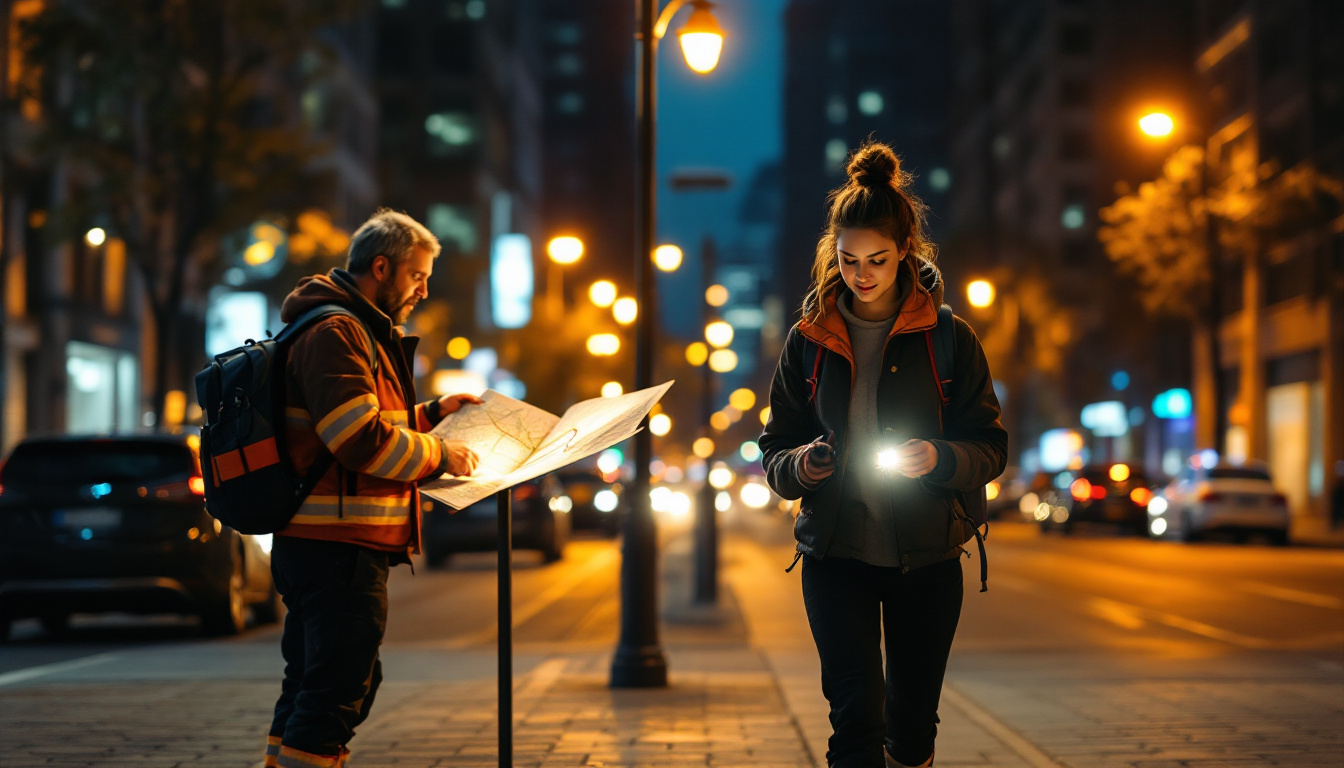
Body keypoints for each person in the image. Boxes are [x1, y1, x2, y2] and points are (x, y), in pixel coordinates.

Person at [759, 143, 1007, 768]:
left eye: (877, 259)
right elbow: (775, 448)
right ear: (832, 254)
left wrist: (939, 458)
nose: (861, 274)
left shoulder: (950, 338)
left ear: (905, 253)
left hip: (926, 558)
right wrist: (803, 464)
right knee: (855, 723)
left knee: (913, 729)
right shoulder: (808, 338)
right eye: (847, 260)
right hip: (834, 556)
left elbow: (991, 446)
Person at [263, 209, 482, 768]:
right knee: (335, 690)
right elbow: (356, 438)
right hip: (336, 545)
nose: (424, 290)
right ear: (381, 268)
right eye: (417, 276)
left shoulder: (344, 327)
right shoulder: (337, 331)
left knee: (313, 683)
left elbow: (362, 420)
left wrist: (432, 414)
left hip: (321, 542)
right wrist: (441, 454)